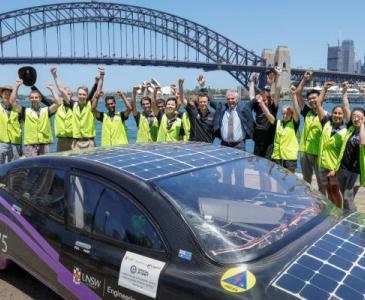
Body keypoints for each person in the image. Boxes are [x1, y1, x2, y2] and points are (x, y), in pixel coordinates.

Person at [316, 81, 349, 208]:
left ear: (343, 116)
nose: (337, 115)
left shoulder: (345, 131)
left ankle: (338, 212)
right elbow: (318, 105)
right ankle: (332, 210)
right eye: (335, 113)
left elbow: (344, 154)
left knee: (335, 191)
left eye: (340, 114)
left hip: (334, 168)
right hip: (322, 165)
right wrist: (324, 88)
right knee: (328, 190)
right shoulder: (327, 123)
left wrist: (336, 169)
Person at [295, 70, 328, 194]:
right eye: (309, 99)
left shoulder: (326, 116)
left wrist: (324, 89)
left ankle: (322, 206)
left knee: (321, 183)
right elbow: (297, 94)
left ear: (321, 99)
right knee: (306, 181)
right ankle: (308, 203)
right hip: (305, 152)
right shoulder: (307, 112)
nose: (312, 101)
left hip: (319, 154)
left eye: (314, 98)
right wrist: (305, 79)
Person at [10, 80, 62, 157]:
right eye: (32, 97)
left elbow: (58, 103)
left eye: (36, 97)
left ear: (40, 99)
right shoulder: (25, 111)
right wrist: (16, 86)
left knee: (45, 166)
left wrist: (52, 89)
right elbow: (12, 102)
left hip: (44, 144)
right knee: (32, 166)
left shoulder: (46, 111)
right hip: (30, 145)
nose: (34, 99)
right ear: (29, 99)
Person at [336, 106, 365, 211]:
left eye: (359, 117)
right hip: (343, 168)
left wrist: (362, 125)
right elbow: (346, 107)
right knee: (345, 197)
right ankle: (346, 218)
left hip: (355, 171)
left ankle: (352, 221)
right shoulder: (351, 128)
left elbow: (362, 143)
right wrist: (344, 92)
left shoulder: (363, 130)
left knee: (348, 197)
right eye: (354, 116)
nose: (356, 118)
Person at [249, 67, 281, 158]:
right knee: (258, 166)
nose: (265, 101)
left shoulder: (273, 106)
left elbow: (278, 90)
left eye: (267, 99)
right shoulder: (258, 106)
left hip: (269, 141)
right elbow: (251, 96)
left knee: (268, 166)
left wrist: (278, 75)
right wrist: (252, 81)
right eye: (263, 99)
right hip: (258, 140)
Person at [70, 67, 104, 149]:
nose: (82, 96)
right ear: (77, 95)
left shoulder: (90, 104)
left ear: (87, 95)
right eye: (80, 94)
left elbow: (98, 90)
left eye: (84, 94)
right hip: (76, 142)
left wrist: (102, 75)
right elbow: (62, 92)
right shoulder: (73, 105)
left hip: (89, 142)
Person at [269, 86, 300, 173]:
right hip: (277, 155)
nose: (285, 115)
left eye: (287, 113)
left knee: (289, 177)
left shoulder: (294, 124)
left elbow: (296, 110)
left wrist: (293, 95)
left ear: (291, 114)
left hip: (289, 156)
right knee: (278, 177)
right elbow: (269, 115)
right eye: (283, 113)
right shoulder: (278, 123)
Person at [177, 76, 215, 143]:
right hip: (194, 146)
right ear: (198, 103)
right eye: (201, 102)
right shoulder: (193, 112)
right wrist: (180, 86)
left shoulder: (213, 115)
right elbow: (182, 100)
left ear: (208, 102)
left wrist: (202, 85)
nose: (203, 103)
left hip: (208, 146)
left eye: (204, 102)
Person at [0, 85, 22, 163]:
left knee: (14, 166)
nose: (7, 96)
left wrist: (17, 86)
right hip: (1, 142)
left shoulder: (18, 108)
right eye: (5, 93)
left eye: (10, 94)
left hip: (15, 142)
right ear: (1, 95)